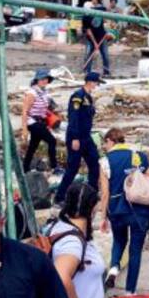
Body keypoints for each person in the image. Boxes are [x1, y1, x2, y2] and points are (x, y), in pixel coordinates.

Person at [99, 128, 149, 295]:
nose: (105, 147)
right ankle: (130, 291)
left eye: (105, 143)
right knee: (135, 250)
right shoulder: (138, 155)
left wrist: (103, 217)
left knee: (119, 241)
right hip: (140, 209)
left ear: (110, 141)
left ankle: (114, 268)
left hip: (117, 209)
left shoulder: (105, 161)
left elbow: (105, 193)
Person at [55, 71, 102, 202]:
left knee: (94, 163)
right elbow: (73, 117)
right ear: (90, 82)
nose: (97, 86)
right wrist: (75, 138)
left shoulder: (88, 97)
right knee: (73, 168)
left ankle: (91, 193)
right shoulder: (78, 96)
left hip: (86, 136)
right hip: (76, 136)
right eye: (96, 83)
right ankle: (60, 196)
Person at [21, 68, 60, 175]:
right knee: (52, 141)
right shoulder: (32, 93)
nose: (44, 81)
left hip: (40, 121)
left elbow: (47, 107)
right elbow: (24, 111)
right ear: (37, 80)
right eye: (42, 79)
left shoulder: (44, 92)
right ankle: (54, 167)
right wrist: (24, 129)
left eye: (46, 79)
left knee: (33, 145)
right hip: (33, 122)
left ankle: (25, 168)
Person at [80, 0, 110, 76]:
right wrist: (95, 43)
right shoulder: (86, 18)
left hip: (102, 36)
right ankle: (87, 72)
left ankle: (106, 72)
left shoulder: (100, 10)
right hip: (91, 38)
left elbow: (106, 12)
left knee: (105, 55)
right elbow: (89, 32)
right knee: (88, 54)